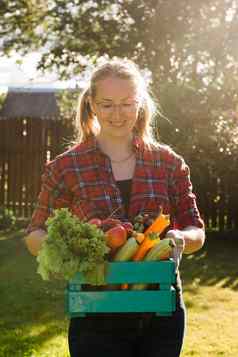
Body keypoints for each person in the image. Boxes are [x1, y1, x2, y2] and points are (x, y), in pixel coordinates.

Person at [24, 58, 205, 357]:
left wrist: (181, 239)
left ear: (140, 103)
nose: (117, 114)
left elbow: (196, 230)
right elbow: (34, 235)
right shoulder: (66, 167)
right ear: (92, 105)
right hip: (96, 311)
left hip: (159, 309)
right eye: (107, 104)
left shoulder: (167, 163)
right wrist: (66, 247)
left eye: (126, 103)